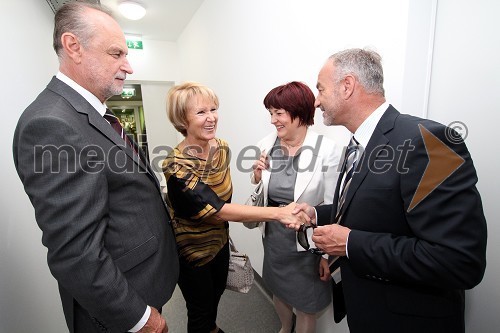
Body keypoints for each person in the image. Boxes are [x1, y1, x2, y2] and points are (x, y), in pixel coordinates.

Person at [292, 48, 488, 332]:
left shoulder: (429, 141)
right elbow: (372, 206)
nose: (317, 101)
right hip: (368, 312)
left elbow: (459, 260)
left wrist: (350, 244)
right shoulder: (359, 143)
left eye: (320, 90)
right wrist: (317, 213)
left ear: (347, 86)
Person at [12, 3, 179, 333]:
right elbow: (77, 253)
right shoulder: (51, 123)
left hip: (139, 282)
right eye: (116, 53)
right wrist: (140, 319)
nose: (128, 66)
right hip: (119, 309)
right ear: (74, 46)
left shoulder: (87, 115)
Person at [162, 82, 309, 333]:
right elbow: (218, 209)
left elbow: (224, 201)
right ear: (181, 119)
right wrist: (279, 212)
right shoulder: (176, 166)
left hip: (220, 244)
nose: (211, 118)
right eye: (201, 112)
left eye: (214, 109)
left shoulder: (222, 148)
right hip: (193, 255)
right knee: (199, 313)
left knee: (214, 303)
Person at [250, 81, 341, 333]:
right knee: (278, 289)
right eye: (270, 113)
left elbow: (334, 205)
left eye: (278, 113)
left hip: (307, 243)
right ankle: (283, 327)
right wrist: (257, 177)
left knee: (306, 303)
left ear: (299, 113)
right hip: (274, 237)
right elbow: (262, 188)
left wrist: (325, 255)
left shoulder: (328, 150)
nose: (272, 120)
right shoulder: (265, 145)